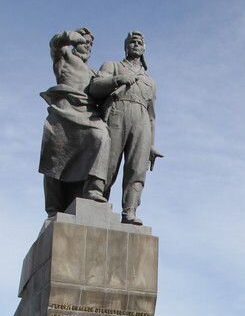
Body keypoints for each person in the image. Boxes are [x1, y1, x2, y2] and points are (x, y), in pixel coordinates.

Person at [89, 31, 162, 225]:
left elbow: (152, 116)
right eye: (132, 41)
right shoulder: (113, 66)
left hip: (142, 121)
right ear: (126, 46)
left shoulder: (150, 81)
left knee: (137, 168)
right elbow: (94, 87)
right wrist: (117, 80)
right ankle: (97, 204)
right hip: (116, 114)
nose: (136, 44)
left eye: (140, 42)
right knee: (109, 162)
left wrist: (151, 145)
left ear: (144, 48)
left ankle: (129, 211)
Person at [39, 28, 112, 218]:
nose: (87, 45)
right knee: (55, 160)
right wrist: (69, 36)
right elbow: (55, 44)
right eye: (84, 41)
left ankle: (94, 189)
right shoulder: (63, 56)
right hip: (64, 112)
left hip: (87, 115)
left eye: (90, 43)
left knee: (101, 135)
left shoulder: (93, 72)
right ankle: (53, 209)